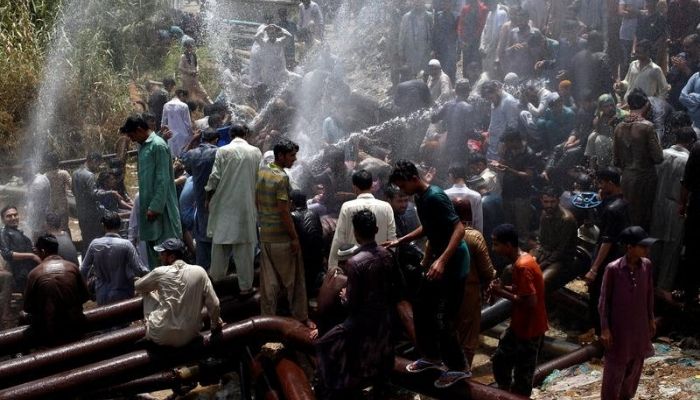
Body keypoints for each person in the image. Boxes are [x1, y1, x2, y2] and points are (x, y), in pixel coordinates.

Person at [386, 160, 471, 388]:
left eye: (402, 185)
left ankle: (459, 368)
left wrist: (442, 260)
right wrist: (401, 240)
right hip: (438, 260)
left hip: (453, 263)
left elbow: (459, 229)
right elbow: (428, 227)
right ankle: (431, 357)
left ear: (414, 179)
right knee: (422, 307)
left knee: (443, 318)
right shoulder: (420, 197)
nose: (401, 191)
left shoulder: (435, 196)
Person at [315, 210, 396, 400]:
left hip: (361, 321)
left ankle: (336, 387)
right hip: (385, 318)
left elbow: (352, 304)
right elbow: (394, 288)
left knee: (323, 345)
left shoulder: (355, 263)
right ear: (376, 229)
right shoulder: (387, 255)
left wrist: (344, 296)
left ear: (356, 233)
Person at [256, 138, 314, 330]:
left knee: (269, 283)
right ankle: (301, 318)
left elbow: (257, 201)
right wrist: (294, 237)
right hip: (281, 238)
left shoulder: (262, 171)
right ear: (280, 156)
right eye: (291, 155)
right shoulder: (281, 178)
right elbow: (283, 210)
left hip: (265, 236)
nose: (295, 159)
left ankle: (267, 320)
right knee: (295, 281)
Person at [488, 224, 548, 397]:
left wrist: (501, 293)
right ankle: (505, 391)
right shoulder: (523, 260)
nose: (494, 248)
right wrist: (502, 287)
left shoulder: (523, 266)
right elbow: (521, 289)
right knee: (500, 359)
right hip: (519, 325)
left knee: (523, 374)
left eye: (496, 244)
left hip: (530, 328)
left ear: (508, 245)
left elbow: (530, 302)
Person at [599, 226, 656, 400]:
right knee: (614, 370)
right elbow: (603, 301)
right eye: (642, 246)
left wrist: (651, 319)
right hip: (620, 330)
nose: (646, 250)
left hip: (639, 328)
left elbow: (649, 295)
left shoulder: (646, 266)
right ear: (629, 247)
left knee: (634, 368)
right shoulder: (614, 269)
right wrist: (605, 328)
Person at [120, 114, 182, 269]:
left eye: (132, 135)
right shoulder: (144, 146)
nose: (132, 139)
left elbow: (163, 179)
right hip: (148, 211)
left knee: (168, 253)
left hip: (162, 210)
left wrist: (155, 206)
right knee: (154, 254)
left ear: (140, 129)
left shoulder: (158, 146)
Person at [205, 124, 262, 292]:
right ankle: (246, 288)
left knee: (220, 245)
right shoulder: (255, 152)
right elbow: (260, 180)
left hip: (224, 206)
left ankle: (216, 281)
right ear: (246, 134)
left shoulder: (223, 151)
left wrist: (208, 197)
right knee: (244, 250)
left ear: (230, 136)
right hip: (246, 207)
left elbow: (214, 178)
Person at [135, 238, 221, 347]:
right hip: (191, 334)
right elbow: (215, 304)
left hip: (160, 335)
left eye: (162, 254)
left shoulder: (159, 272)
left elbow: (138, 287)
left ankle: (149, 325)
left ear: (171, 257)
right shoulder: (200, 271)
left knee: (147, 293)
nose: (160, 257)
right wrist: (215, 325)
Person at [451, 198, 496, 371]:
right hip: (468, 293)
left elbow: (426, 264)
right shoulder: (474, 237)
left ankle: (448, 370)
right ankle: (463, 373)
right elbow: (488, 271)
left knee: (449, 332)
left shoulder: (439, 234)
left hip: (444, 292)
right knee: (468, 337)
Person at [584, 169, 631, 334]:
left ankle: (601, 332)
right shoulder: (623, 203)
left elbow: (607, 240)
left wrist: (594, 268)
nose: (599, 186)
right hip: (619, 254)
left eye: (601, 183)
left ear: (610, 183)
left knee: (599, 295)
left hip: (608, 257)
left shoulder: (612, 209)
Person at [24, 234, 89, 347]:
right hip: (75, 324)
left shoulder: (34, 273)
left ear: (43, 251)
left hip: (49, 330)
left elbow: (27, 307)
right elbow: (85, 296)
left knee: (23, 316)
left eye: (37, 252)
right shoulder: (72, 267)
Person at [650, 126, 695, 290]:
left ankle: (647, 279)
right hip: (677, 207)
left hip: (658, 203)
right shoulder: (688, 160)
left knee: (654, 244)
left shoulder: (662, 154)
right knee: (671, 250)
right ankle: (663, 287)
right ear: (691, 142)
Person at [613, 89, 663, 230]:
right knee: (643, 220)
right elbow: (658, 157)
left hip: (627, 179)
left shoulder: (618, 128)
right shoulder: (647, 127)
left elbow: (616, 161)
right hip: (644, 180)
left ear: (628, 105)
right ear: (646, 105)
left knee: (629, 218)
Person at [328, 169, 396, 270]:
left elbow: (339, 239)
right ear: (371, 186)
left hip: (355, 266)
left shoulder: (347, 207)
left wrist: (332, 267)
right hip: (380, 267)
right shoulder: (386, 207)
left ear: (354, 187)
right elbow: (392, 240)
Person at [80, 212, 149, 306]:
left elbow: (83, 270)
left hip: (101, 295)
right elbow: (139, 269)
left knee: (106, 320)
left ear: (103, 226)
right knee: (124, 320)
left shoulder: (94, 244)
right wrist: (155, 276)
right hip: (123, 295)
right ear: (120, 226)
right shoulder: (126, 245)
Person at [492, 130, 540, 247]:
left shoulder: (529, 154)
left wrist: (508, 169)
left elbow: (528, 176)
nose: (505, 145)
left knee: (522, 228)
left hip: (521, 196)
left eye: (507, 142)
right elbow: (502, 164)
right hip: (507, 193)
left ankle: (523, 252)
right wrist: (500, 161)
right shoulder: (508, 150)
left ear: (515, 141)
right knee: (509, 224)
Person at [181, 129, 219, 270]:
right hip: (216, 199)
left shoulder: (193, 154)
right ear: (216, 140)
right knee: (218, 234)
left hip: (199, 200)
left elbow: (182, 157)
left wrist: (192, 140)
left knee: (202, 233)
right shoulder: (219, 153)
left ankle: (202, 268)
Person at [533, 186, 578, 290]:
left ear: (558, 200)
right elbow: (541, 240)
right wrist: (536, 256)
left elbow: (561, 251)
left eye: (552, 202)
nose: (549, 205)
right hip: (546, 252)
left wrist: (541, 265)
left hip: (562, 259)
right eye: (546, 202)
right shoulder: (545, 213)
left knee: (541, 281)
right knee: (521, 267)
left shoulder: (566, 219)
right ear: (541, 201)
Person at [431, 79, 476, 170]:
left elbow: (433, 119)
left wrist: (433, 107)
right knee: (459, 172)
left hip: (448, 145)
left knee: (450, 171)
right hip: (460, 148)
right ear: (468, 92)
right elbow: (469, 132)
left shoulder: (448, 105)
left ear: (455, 91)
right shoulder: (468, 108)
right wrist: (480, 136)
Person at [290, 190, 324, 297]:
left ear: (291, 202)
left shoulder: (292, 216)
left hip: (303, 259)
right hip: (318, 257)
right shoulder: (314, 214)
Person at [679, 129, 700, 303]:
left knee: (692, 250)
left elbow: (687, 181)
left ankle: (690, 291)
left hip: (697, 208)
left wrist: (681, 204)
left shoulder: (698, 148)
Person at [0, 206, 41, 292]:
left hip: (29, 271)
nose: (13, 218)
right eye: (9, 216)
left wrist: (33, 250)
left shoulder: (17, 232)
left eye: (15, 215)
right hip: (20, 275)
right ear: (3, 219)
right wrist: (31, 256)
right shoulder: (3, 233)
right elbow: (7, 254)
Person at [585, 94, 627, 171]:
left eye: (611, 105)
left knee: (600, 139)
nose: (610, 108)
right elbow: (597, 129)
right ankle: (591, 167)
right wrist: (598, 119)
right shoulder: (601, 115)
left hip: (620, 145)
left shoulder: (621, 115)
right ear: (601, 108)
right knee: (592, 136)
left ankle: (602, 168)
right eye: (606, 106)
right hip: (609, 141)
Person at [480, 80, 520, 161]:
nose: (491, 101)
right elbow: (493, 120)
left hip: (502, 144)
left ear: (496, 91)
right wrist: (488, 135)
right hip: (492, 142)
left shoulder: (508, 101)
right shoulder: (495, 101)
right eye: (488, 99)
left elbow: (512, 126)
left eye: (491, 98)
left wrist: (503, 144)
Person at [72, 152, 104, 251]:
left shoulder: (75, 173)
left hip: (80, 211)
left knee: (85, 238)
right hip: (91, 213)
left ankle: (85, 259)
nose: (98, 167)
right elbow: (94, 194)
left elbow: (73, 190)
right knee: (95, 238)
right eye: (98, 164)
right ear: (93, 161)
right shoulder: (90, 175)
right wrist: (106, 192)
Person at [249, 24, 294, 90]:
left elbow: (289, 36)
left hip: (281, 72)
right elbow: (255, 37)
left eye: (273, 33)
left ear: (276, 33)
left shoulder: (280, 42)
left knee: (298, 78)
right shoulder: (264, 43)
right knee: (274, 90)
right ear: (267, 34)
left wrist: (280, 28)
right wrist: (264, 28)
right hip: (269, 74)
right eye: (269, 33)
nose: (271, 35)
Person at [398, 0, 433, 79]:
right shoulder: (406, 17)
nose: (417, 3)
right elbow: (402, 35)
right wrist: (401, 51)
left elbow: (432, 34)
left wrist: (433, 49)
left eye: (419, 1)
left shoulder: (429, 16)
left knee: (425, 75)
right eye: (416, 1)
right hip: (411, 52)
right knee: (411, 75)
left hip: (425, 52)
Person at [445, 164, 483, 232]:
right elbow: (478, 223)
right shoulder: (476, 196)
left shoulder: (444, 194)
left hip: (450, 235)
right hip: (471, 235)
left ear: (451, 175)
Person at [458, 0, 488, 79]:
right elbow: (461, 25)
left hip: (477, 42)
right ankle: (466, 84)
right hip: (466, 42)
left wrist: (473, 40)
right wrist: (461, 39)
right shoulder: (465, 9)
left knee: (476, 64)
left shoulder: (483, 9)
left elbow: (482, 26)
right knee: (466, 63)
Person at [43, 154, 72, 234]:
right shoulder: (64, 173)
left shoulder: (45, 176)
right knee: (64, 226)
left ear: (48, 163)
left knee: (52, 225)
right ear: (57, 162)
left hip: (50, 203)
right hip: (62, 202)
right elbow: (71, 185)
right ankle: (68, 244)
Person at [479, 0, 508, 78]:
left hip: (495, 51)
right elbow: (485, 31)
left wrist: (488, 50)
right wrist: (482, 45)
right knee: (486, 74)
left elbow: (498, 35)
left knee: (494, 76)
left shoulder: (501, 13)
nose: (486, 5)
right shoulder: (490, 13)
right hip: (487, 50)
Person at [178, 36, 212, 104]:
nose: (191, 47)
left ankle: (211, 104)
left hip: (194, 77)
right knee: (187, 95)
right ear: (186, 47)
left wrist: (197, 70)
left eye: (191, 46)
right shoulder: (183, 56)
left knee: (202, 91)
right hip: (187, 79)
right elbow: (180, 67)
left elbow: (196, 65)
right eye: (189, 46)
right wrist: (189, 71)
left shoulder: (194, 55)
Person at [161, 89, 192, 158]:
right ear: (181, 95)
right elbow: (188, 124)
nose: (185, 100)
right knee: (183, 157)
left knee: (173, 157)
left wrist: (164, 135)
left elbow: (163, 123)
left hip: (171, 136)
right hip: (183, 136)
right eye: (185, 97)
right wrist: (191, 136)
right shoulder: (184, 106)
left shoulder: (166, 105)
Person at [433, 0, 458, 82]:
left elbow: (457, 32)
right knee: (440, 67)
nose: (446, 4)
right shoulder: (438, 15)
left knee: (451, 68)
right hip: (440, 47)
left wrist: (458, 50)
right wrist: (434, 47)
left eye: (448, 2)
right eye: (444, 3)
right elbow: (435, 31)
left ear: (451, 4)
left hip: (451, 46)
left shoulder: (455, 16)